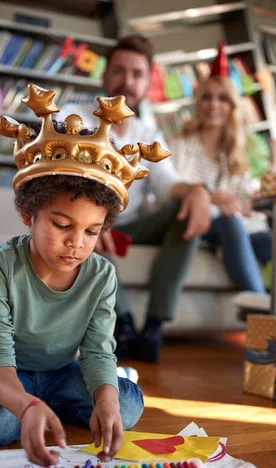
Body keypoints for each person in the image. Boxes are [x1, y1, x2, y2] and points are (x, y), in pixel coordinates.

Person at [0, 85, 171, 466]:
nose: (76, 244)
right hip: (1, 371)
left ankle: (38, 409)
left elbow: (97, 350)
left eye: (92, 232)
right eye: (61, 225)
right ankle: (23, 408)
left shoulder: (101, 275)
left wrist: (106, 400)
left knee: (124, 405)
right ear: (29, 213)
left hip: (62, 372)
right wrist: (24, 405)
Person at [62, 35, 212, 363]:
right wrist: (92, 220)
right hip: (83, 222)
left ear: (146, 83)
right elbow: (60, 182)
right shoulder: (74, 118)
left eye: (137, 74)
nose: (127, 81)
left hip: (129, 228)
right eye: (119, 70)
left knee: (185, 208)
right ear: (104, 75)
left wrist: (197, 192)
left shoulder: (149, 135)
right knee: (83, 228)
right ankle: (124, 326)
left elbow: (168, 182)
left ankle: (155, 325)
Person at [168, 64, 276, 295]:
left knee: (271, 240)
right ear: (198, 103)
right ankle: (261, 310)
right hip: (193, 224)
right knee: (230, 224)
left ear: (232, 106)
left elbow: (244, 202)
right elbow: (172, 192)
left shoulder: (235, 154)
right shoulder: (177, 147)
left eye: (222, 98)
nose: (213, 104)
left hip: (235, 228)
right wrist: (214, 199)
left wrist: (270, 173)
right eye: (207, 97)